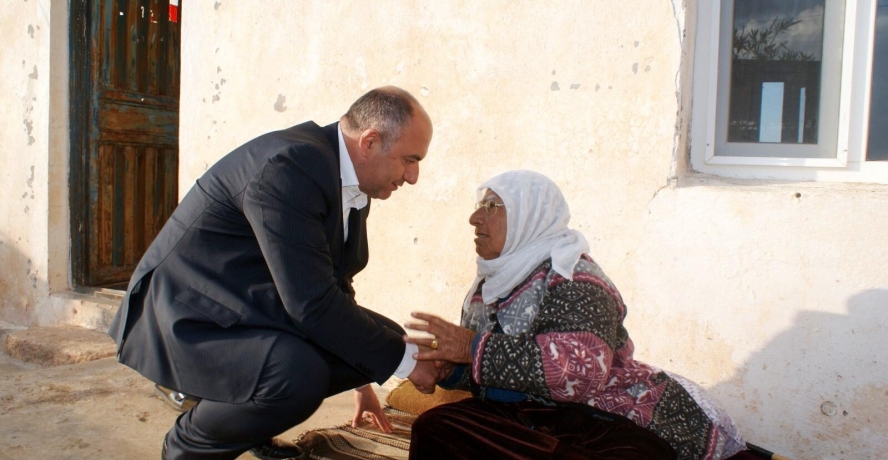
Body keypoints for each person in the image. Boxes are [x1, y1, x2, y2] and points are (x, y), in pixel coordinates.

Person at [108, 86, 440, 460]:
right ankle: (190, 443)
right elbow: (312, 305)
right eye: (409, 160)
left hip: (244, 302)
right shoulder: (292, 165)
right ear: (370, 142)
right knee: (297, 375)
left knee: (386, 339)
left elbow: (331, 284)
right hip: (187, 314)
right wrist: (407, 364)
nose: (412, 176)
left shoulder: (345, 178)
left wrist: (365, 380)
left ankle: (248, 423)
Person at [404, 170, 747, 460]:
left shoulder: (574, 277)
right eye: (480, 206)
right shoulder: (491, 283)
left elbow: (582, 372)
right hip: (529, 416)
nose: (475, 218)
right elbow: (495, 370)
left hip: (602, 416)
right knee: (436, 429)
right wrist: (454, 371)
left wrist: (472, 349)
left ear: (530, 216)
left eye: (493, 207)